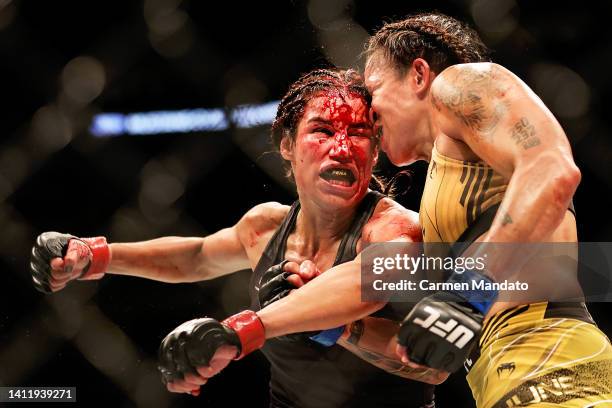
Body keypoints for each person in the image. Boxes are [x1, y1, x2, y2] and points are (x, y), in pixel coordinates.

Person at [29, 68, 444, 408]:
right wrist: (95, 254)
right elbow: (195, 256)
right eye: (321, 130)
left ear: (374, 152)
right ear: (287, 144)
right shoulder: (267, 226)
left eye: (357, 134)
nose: (341, 148)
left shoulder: (393, 229)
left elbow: (422, 352)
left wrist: (329, 328)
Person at [257, 12, 612, 408]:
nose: (370, 119)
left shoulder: (462, 83)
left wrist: (469, 288)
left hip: (551, 363)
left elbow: (553, 170)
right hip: (507, 376)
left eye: (374, 93)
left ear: (419, 75)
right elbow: (425, 355)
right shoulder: (443, 190)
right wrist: (337, 326)